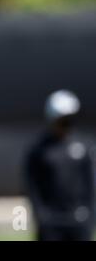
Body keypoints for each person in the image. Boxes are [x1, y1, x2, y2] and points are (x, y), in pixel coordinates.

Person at [24, 90, 95, 241]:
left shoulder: (83, 147)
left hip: (78, 221)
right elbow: (32, 188)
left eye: (69, 120)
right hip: (52, 223)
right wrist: (42, 217)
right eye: (62, 121)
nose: (65, 125)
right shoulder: (39, 151)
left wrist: (89, 218)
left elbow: (91, 185)